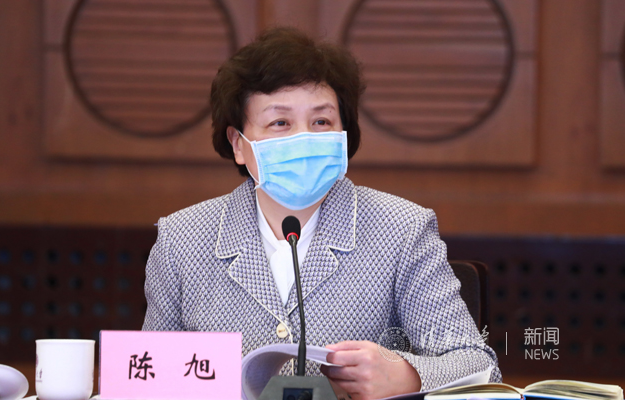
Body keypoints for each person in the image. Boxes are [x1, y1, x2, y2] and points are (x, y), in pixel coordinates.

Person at [142, 27, 501, 399]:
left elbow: (479, 365)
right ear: (238, 143)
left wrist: (408, 376)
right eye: (280, 123)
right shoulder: (181, 240)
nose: (304, 138)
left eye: (321, 122)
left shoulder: (402, 229)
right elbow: (147, 376)